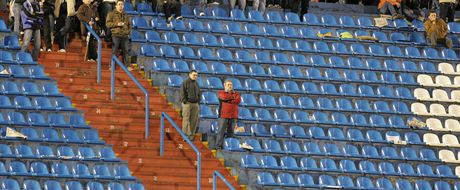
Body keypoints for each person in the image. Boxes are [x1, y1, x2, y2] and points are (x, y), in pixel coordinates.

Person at [215, 80, 241, 150]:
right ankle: (218, 147)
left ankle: (229, 146)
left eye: (231, 85)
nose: (230, 86)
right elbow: (223, 97)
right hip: (223, 115)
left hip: (233, 116)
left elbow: (238, 100)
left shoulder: (237, 93)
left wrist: (228, 99)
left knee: (231, 132)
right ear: (225, 85)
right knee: (221, 132)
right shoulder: (221, 92)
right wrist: (232, 97)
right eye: (228, 84)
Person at [106, 0, 131, 67]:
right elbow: (108, 24)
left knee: (126, 50)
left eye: (122, 4)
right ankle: (112, 65)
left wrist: (128, 32)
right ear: (116, 5)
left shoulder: (126, 14)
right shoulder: (111, 14)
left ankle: (127, 66)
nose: (121, 6)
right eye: (119, 4)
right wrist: (117, 24)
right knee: (114, 50)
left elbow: (129, 25)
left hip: (125, 35)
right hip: (116, 34)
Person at [180, 70, 201, 141]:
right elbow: (182, 92)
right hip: (187, 103)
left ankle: (191, 136)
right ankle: (184, 136)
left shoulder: (197, 83)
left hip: (195, 104)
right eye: (194, 75)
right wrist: (185, 101)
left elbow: (199, 94)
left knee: (194, 120)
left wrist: (198, 101)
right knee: (186, 119)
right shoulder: (185, 83)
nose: (195, 76)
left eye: (196, 75)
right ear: (189, 74)